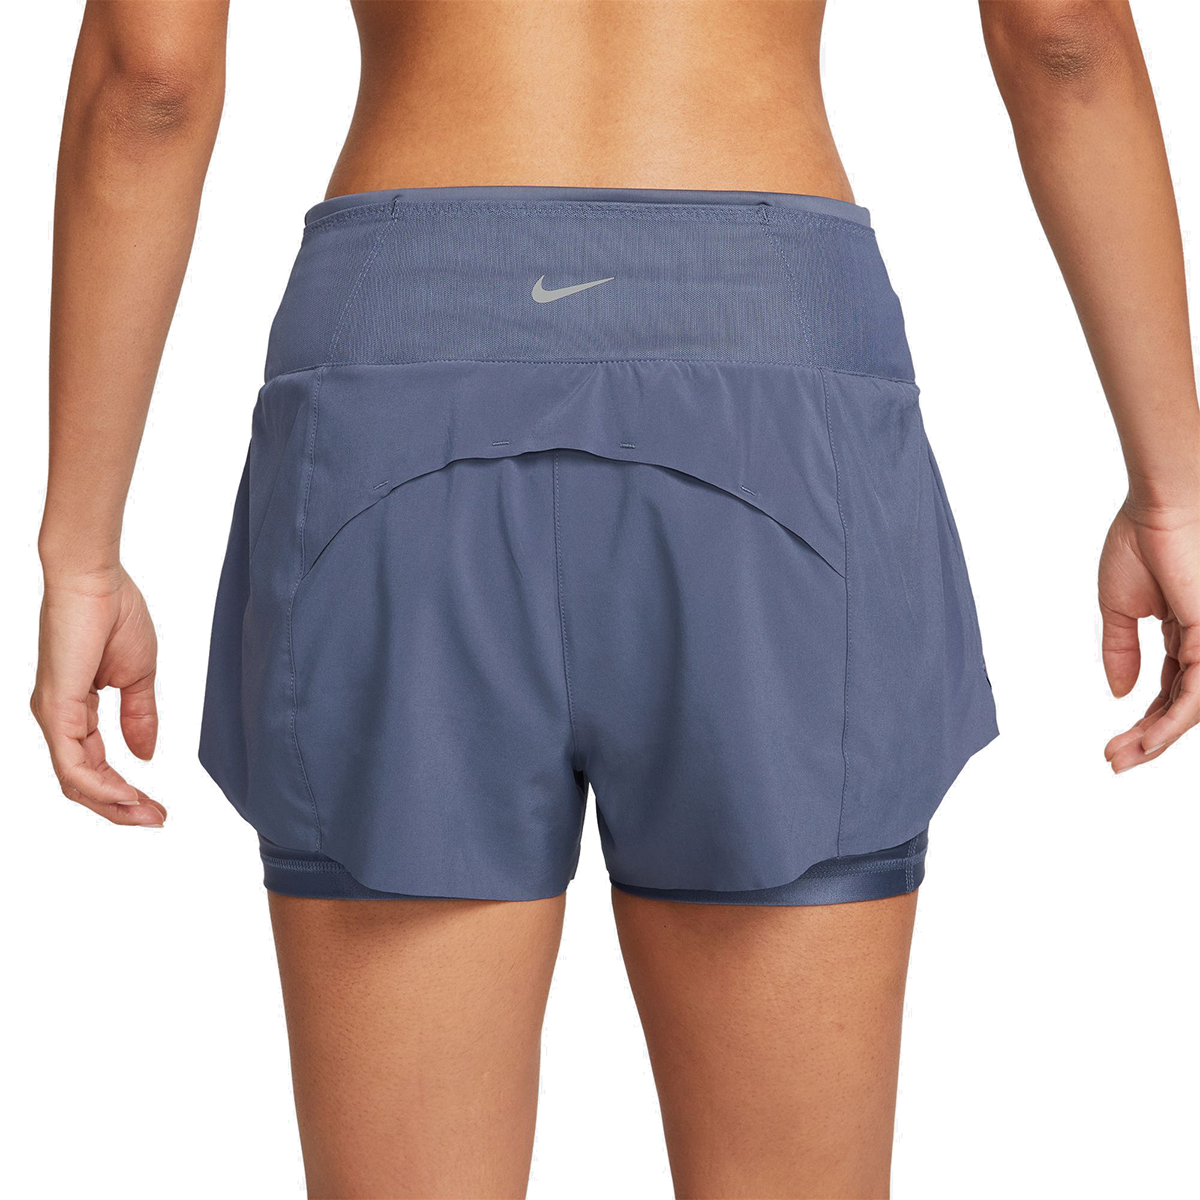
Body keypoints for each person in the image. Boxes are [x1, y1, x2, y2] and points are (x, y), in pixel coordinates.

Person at [31, 1, 1198, 1197]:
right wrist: (1173, 495)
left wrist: (80, 555)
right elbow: (1064, 37)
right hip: (766, 362)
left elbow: (150, 81)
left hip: (402, 372)